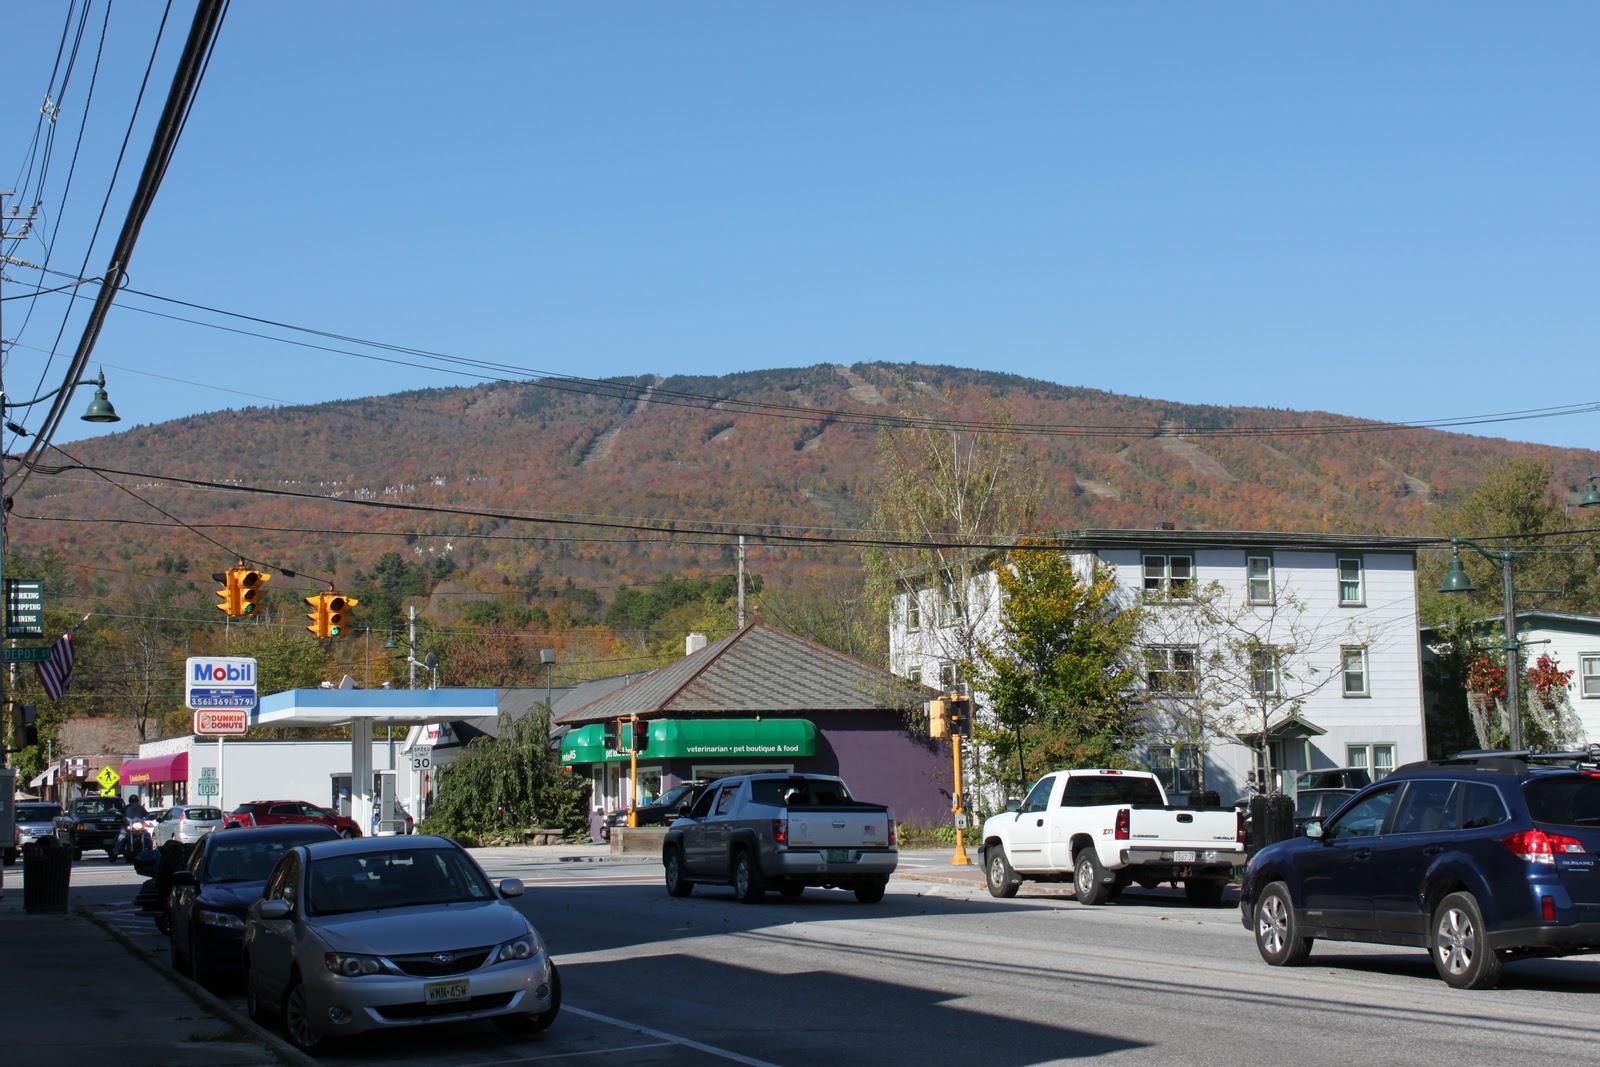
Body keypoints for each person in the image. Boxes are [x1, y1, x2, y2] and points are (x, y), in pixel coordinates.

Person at [113, 794, 151, 863]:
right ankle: (115, 854)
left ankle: (151, 852)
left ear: (137, 801)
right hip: (127, 827)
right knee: (121, 837)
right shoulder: (126, 808)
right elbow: (120, 814)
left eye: (135, 801)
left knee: (147, 835)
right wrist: (120, 817)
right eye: (133, 801)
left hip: (139, 827)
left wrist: (149, 816)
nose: (134, 802)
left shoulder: (141, 808)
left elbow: (146, 814)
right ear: (130, 801)